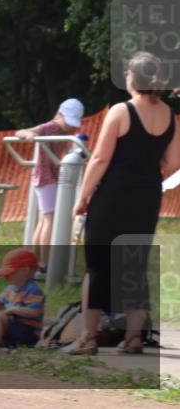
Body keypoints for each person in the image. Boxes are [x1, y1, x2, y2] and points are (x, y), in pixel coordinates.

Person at [66, 52, 179, 356]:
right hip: (147, 196)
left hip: (113, 195)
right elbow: (172, 162)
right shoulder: (168, 114)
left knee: (98, 265)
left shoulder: (121, 110)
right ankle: (134, 337)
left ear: (133, 77)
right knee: (134, 264)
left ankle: (88, 337)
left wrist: (83, 196)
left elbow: (101, 158)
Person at [15, 98, 84, 275]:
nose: (71, 126)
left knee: (44, 220)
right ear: (60, 114)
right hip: (45, 178)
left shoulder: (64, 130)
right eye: (68, 121)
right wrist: (29, 135)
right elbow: (20, 132)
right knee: (50, 220)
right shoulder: (51, 127)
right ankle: (45, 262)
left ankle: (36, 260)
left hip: (50, 177)